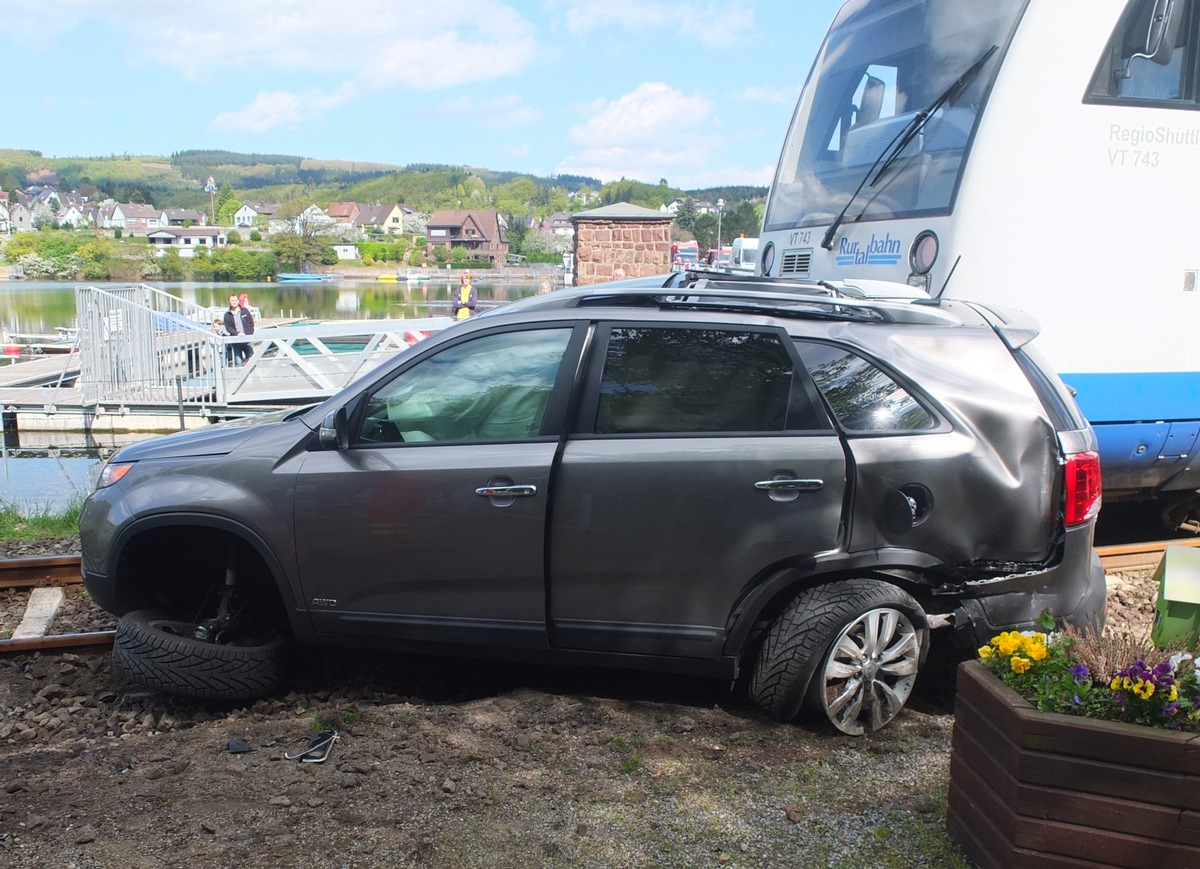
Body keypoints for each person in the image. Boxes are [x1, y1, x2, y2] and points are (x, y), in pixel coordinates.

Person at [223, 293, 255, 365]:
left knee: (251, 360)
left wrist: (249, 334)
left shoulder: (244, 311)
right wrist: (237, 333)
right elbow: (228, 328)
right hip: (236, 341)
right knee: (238, 362)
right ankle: (240, 375)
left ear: (238, 301)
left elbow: (251, 322)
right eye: (232, 300)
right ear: (229, 302)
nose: (234, 302)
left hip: (247, 340)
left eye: (235, 300)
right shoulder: (227, 315)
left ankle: (253, 375)